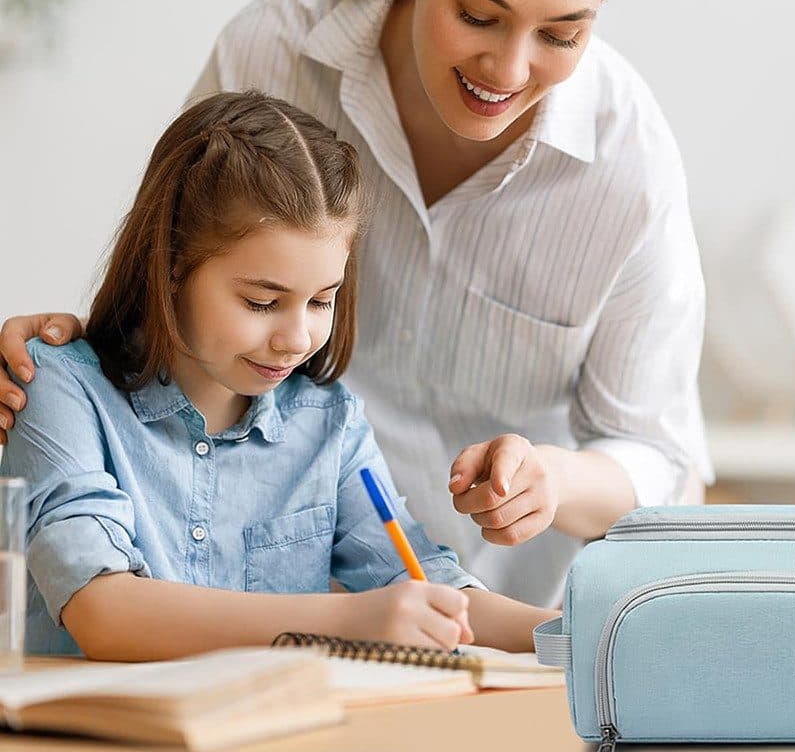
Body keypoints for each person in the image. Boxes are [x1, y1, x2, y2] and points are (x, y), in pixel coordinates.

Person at [0, 0, 712, 608]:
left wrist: (554, 478)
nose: (510, 70)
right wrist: (63, 355)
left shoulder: (628, 164)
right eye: (478, 15)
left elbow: (660, 457)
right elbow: (171, 282)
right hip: (221, 605)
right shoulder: (270, 54)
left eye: (561, 35)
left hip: (487, 618)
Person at [0, 91, 556, 660]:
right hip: (89, 747)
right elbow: (102, 612)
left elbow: (425, 585)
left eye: (321, 301)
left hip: (274, 742)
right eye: (263, 302)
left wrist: (579, 631)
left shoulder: (329, 422)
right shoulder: (59, 388)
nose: (297, 339)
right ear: (169, 267)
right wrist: (349, 619)